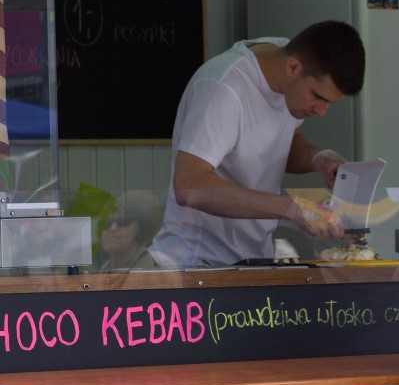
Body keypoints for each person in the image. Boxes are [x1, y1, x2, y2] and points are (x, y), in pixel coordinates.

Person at [147, 20, 365, 267]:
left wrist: (318, 158)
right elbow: (189, 186)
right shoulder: (223, 88)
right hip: (194, 264)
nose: (322, 111)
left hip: (254, 259)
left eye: (330, 103)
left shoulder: (287, 62)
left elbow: (282, 143)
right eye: (317, 97)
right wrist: (291, 209)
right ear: (292, 68)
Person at [99, 190, 164, 270]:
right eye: (107, 222)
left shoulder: (152, 269)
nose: (113, 228)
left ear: (142, 227)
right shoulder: (103, 269)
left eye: (123, 221)